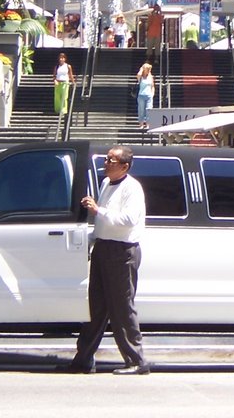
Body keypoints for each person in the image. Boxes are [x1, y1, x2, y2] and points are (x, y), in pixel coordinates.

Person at [62, 145, 150, 376]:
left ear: (124, 166)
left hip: (122, 252)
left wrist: (98, 210)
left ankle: (136, 361)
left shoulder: (132, 188)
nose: (106, 163)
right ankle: (83, 360)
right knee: (95, 307)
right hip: (103, 248)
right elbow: (104, 224)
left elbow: (128, 220)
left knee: (122, 308)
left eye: (112, 160)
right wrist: (89, 239)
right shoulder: (105, 184)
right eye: (107, 158)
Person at [136, 63, 154, 130]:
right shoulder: (141, 77)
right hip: (141, 95)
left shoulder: (150, 77)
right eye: (147, 69)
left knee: (149, 109)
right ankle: (141, 124)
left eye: (149, 69)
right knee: (141, 110)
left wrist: (152, 94)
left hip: (149, 95)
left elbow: (152, 86)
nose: (148, 70)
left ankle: (148, 124)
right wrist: (141, 69)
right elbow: (138, 75)